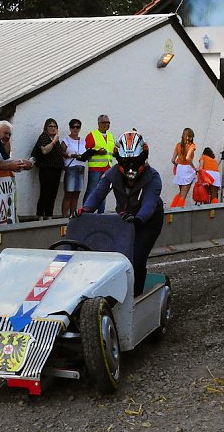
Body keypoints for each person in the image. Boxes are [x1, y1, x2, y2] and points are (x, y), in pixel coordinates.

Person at [80, 130, 163, 296]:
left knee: (137, 259)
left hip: (147, 222)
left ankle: (136, 298)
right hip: (124, 219)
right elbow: (98, 193)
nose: (130, 166)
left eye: (134, 161)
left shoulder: (153, 177)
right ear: (119, 159)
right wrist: (85, 209)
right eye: (125, 161)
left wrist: (138, 219)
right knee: (116, 257)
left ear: (143, 157)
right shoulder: (112, 173)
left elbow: (149, 204)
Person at [31, 118, 65, 219]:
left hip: (56, 169)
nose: (53, 128)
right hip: (46, 169)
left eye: (55, 126)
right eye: (51, 126)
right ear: (46, 127)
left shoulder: (56, 138)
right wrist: (54, 141)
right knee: (45, 192)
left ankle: (49, 215)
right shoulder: (44, 137)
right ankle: (40, 215)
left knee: (53, 193)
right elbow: (45, 151)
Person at [83, 114, 114, 213]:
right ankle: (86, 212)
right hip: (95, 168)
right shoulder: (92, 134)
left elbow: (113, 150)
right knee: (92, 190)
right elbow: (87, 149)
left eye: (108, 122)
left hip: (107, 168)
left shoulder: (110, 136)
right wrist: (97, 151)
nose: (106, 124)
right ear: (98, 123)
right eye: (104, 122)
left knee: (103, 191)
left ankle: (101, 213)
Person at [61, 118, 86, 218]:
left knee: (76, 194)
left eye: (77, 127)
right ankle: (63, 218)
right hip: (71, 167)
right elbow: (61, 152)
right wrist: (70, 155)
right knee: (68, 194)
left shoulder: (83, 141)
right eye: (73, 127)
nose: (75, 129)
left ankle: (72, 216)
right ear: (70, 128)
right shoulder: (66, 140)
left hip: (81, 167)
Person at [170, 127, 197, 207]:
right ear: (191, 137)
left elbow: (172, 160)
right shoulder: (192, 146)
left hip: (180, 169)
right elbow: (188, 158)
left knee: (181, 192)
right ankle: (178, 211)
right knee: (183, 195)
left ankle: (173, 208)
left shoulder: (178, 145)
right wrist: (194, 168)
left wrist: (176, 164)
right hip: (187, 169)